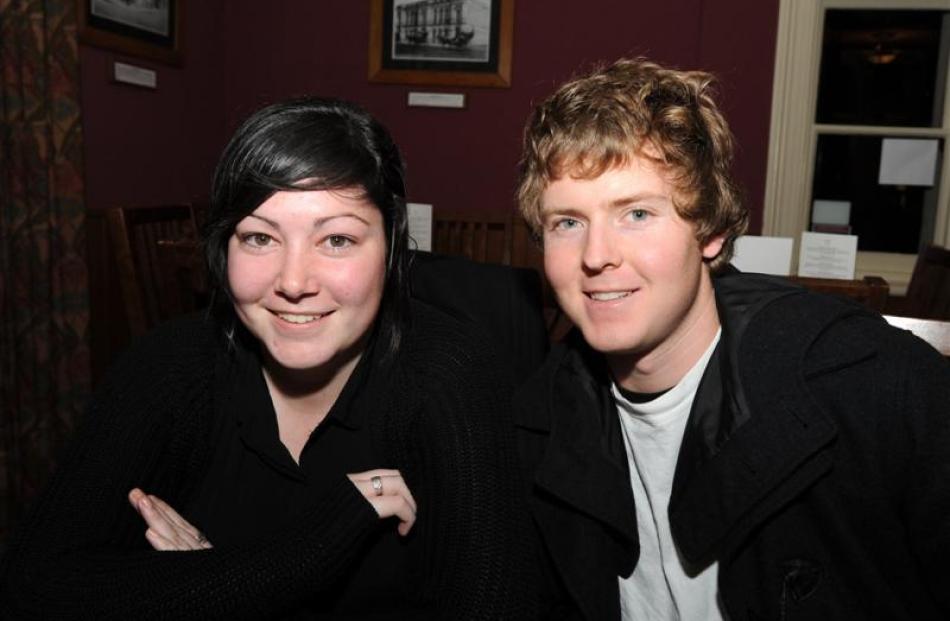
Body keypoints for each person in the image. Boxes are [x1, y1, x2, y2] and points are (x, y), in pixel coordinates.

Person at [0, 97, 532, 620]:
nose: (293, 283)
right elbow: (33, 586)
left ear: (392, 248)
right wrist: (308, 552)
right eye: (259, 237)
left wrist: (201, 586)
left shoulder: (450, 374)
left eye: (338, 239)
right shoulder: (171, 367)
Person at [513, 57, 950, 620]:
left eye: (637, 213)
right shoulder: (538, 423)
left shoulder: (867, 385)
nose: (596, 256)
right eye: (567, 222)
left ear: (712, 232)